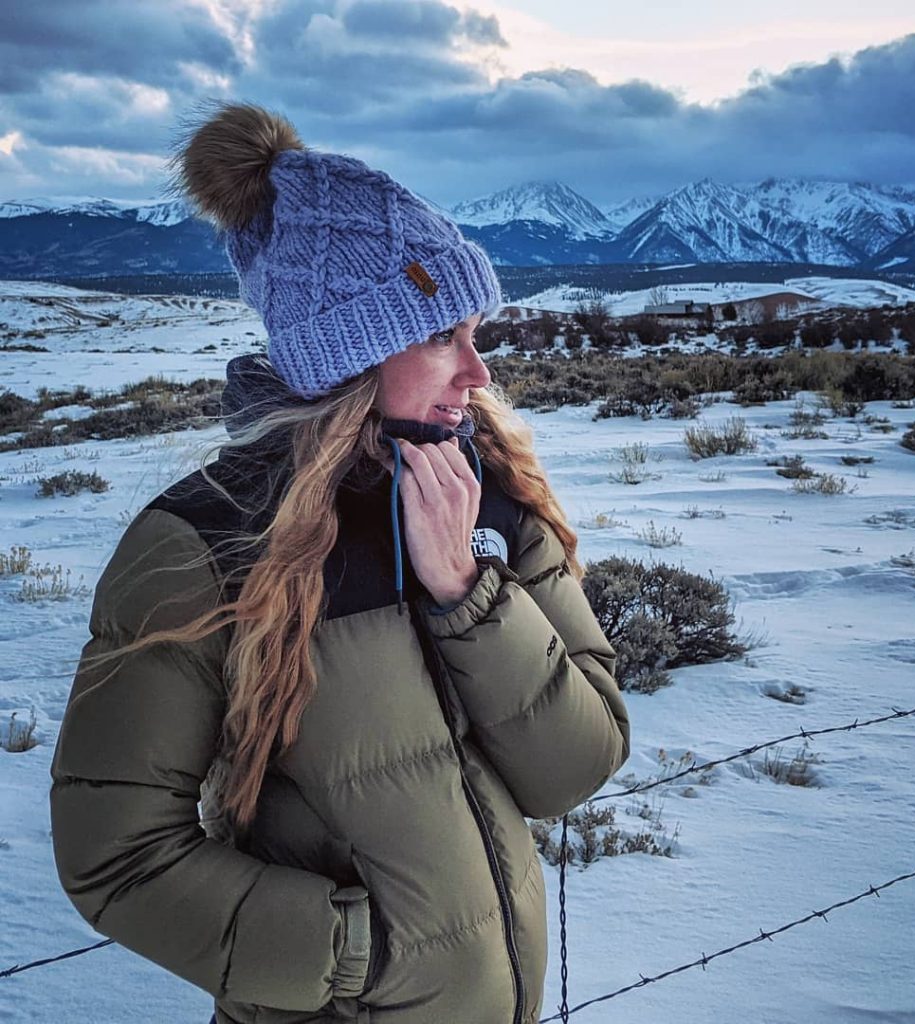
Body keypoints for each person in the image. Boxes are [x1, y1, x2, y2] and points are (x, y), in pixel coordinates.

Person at [49, 103, 630, 1024]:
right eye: (442, 336)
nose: (477, 373)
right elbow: (114, 854)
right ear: (349, 355)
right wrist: (355, 955)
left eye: (475, 334)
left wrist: (466, 598)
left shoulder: (493, 504)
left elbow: (576, 767)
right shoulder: (210, 543)